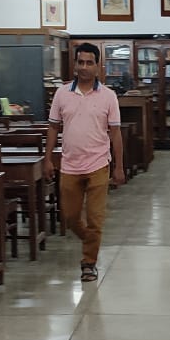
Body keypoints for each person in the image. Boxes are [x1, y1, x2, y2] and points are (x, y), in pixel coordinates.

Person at [45, 42, 125, 283]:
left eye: (90, 62)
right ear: (75, 64)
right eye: (80, 62)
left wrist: (119, 166)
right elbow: (52, 127)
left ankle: (89, 263)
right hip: (69, 165)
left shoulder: (108, 96)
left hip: (99, 165)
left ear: (98, 66)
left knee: (95, 218)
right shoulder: (61, 93)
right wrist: (48, 158)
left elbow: (115, 134)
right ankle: (91, 240)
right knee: (69, 217)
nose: (84, 67)